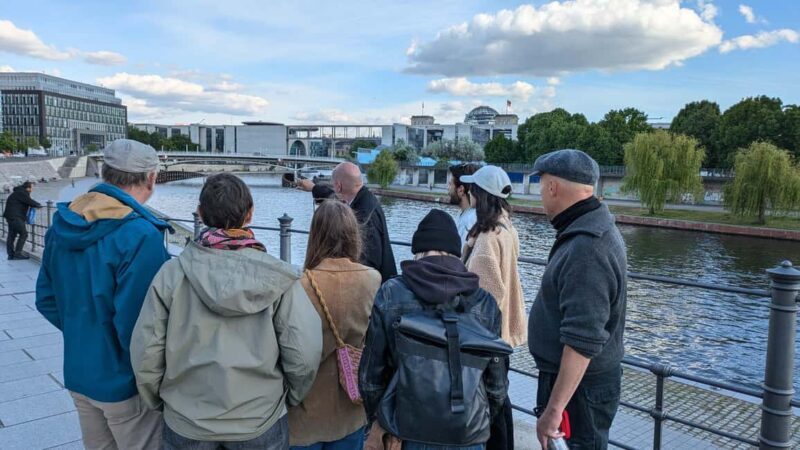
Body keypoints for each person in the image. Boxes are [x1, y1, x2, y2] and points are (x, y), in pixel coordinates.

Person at [131, 173, 323, 449]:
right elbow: (304, 351)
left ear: (200, 213)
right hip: (259, 417)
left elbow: (146, 351)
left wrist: (162, 401)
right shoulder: (278, 278)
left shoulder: (171, 275)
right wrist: (288, 397)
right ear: (250, 214)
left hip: (188, 418)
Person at [36, 139, 171, 449]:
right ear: (151, 178)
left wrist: (85, 333)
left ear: (105, 173)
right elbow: (139, 325)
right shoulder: (140, 235)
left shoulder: (63, 223)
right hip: (125, 383)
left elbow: (45, 298)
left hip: (80, 372)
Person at [360, 209, 508, 450]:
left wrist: (384, 421)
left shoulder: (391, 292)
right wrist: (478, 421)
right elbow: (497, 383)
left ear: (418, 251)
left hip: (407, 430)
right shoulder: (484, 302)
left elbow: (371, 376)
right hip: (466, 432)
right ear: (455, 253)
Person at [528, 149, 627, 449]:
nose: (541, 195)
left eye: (541, 186)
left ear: (553, 187)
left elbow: (582, 340)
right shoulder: (590, 229)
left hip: (578, 392)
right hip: (578, 387)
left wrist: (554, 409)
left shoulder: (587, 247)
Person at [288, 200, 382, 450]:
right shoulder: (372, 279)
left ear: (315, 235)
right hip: (349, 408)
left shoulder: (300, 284)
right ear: (353, 235)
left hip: (304, 411)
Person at [460, 165, 526, 450]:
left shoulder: (487, 239)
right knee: (500, 396)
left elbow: (483, 298)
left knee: (492, 402)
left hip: (489, 338)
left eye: (473, 189)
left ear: (479, 194)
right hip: (505, 333)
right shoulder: (506, 227)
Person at [298, 162, 396, 282]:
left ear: (338, 186)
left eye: (335, 186)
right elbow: (338, 201)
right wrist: (314, 188)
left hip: (374, 290)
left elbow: (370, 260)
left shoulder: (364, 215)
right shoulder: (364, 199)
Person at [3, 181, 42, 260]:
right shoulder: (22, 193)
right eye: (32, 187)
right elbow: (30, 201)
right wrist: (38, 205)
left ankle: (11, 255)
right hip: (16, 216)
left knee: (11, 235)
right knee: (24, 234)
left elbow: (27, 201)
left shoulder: (18, 192)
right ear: (28, 188)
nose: (32, 189)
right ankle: (17, 254)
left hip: (10, 216)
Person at [447, 163, 479, 245]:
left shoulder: (470, 221)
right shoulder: (466, 214)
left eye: (450, 184)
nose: (448, 189)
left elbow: (460, 256)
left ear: (461, 190)